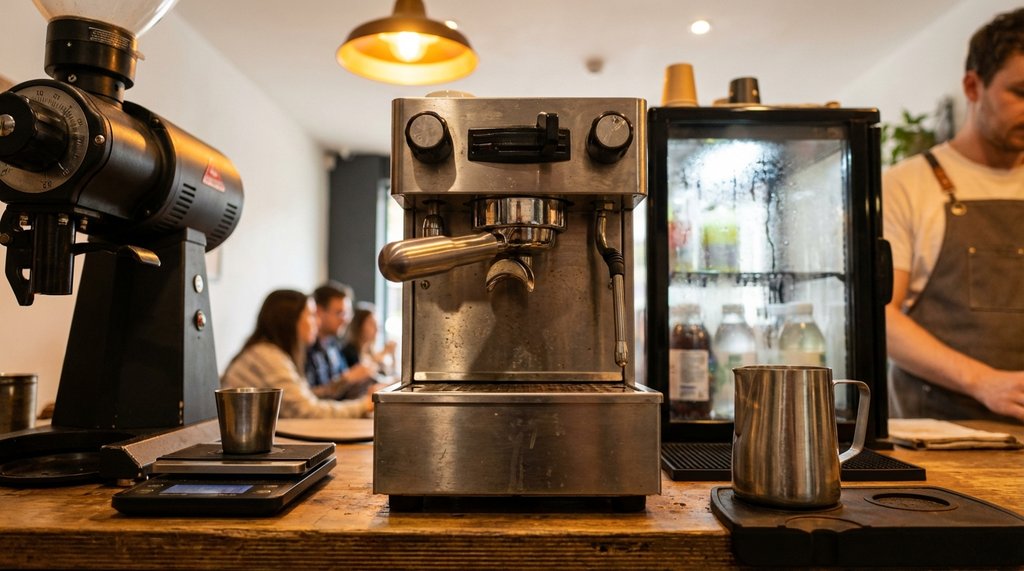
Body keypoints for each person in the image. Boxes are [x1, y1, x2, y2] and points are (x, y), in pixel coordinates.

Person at [883, 8, 1024, 423]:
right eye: (1020, 92)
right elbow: (882, 317)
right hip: (938, 440)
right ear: (972, 85)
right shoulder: (907, 184)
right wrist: (985, 382)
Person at [221, 289, 373, 418]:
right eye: (311, 315)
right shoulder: (267, 356)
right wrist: (365, 404)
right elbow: (307, 411)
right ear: (291, 321)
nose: (317, 322)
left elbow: (305, 398)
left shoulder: (273, 353)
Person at [305, 282, 377, 400]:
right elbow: (306, 399)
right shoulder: (305, 349)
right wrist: (346, 379)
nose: (346, 319)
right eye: (340, 313)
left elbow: (343, 393)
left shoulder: (333, 346)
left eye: (347, 313)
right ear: (319, 312)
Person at [341, 302, 397, 378]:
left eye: (377, 324)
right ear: (359, 326)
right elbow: (361, 374)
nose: (376, 328)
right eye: (371, 324)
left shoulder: (371, 352)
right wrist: (383, 353)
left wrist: (392, 355)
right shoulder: (349, 352)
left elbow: (388, 375)